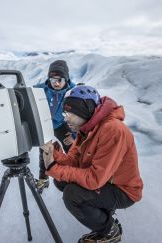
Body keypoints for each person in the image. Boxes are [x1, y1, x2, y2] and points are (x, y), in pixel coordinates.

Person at [40, 85, 143, 243]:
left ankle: (109, 231)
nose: (66, 118)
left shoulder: (113, 130)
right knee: (61, 181)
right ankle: (102, 211)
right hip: (104, 180)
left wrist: (54, 168)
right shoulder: (86, 128)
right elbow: (73, 162)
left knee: (72, 195)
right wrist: (55, 152)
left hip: (122, 190)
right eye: (65, 113)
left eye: (71, 113)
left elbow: (95, 179)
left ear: (85, 111)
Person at [34, 60, 76, 193]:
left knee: (71, 148)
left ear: (66, 79)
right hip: (45, 124)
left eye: (60, 80)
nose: (56, 83)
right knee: (45, 151)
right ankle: (43, 179)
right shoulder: (41, 89)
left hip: (61, 124)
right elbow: (25, 94)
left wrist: (74, 134)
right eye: (52, 80)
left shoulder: (73, 91)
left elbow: (79, 115)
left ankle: (73, 174)